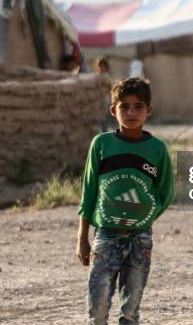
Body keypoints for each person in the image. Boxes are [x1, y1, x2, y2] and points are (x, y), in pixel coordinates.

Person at [76, 77, 175, 325]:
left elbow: (166, 193)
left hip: (140, 239)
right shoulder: (101, 145)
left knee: (131, 312)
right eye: (124, 106)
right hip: (106, 237)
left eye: (138, 106)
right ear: (113, 110)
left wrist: (145, 215)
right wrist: (82, 239)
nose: (131, 112)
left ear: (148, 111)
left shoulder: (157, 150)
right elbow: (89, 193)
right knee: (97, 310)